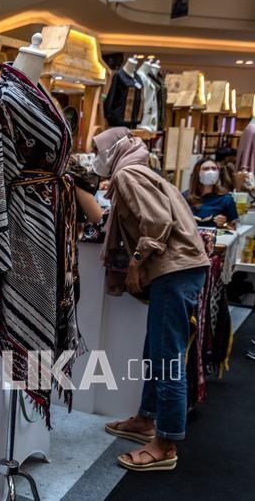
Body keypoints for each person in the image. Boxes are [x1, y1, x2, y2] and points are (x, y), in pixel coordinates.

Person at [94, 127, 209, 472]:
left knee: (166, 356)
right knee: (156, 349)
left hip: (173, 271)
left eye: (99, 150)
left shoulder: (128, 174)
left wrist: (136, 261)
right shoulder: (138, 170)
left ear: (112, 151)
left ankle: (166, 441)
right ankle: (147, 419)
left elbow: (157, 222)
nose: (96, 157)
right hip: (178, 270)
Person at [184, 157, 238, 229]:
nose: (211, 172)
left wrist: (224, 224)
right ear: (197, 173)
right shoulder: (184, 197)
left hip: (213, 238)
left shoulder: (226, 199)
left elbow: (234, 227)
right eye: (206, 169)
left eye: (214, 169)